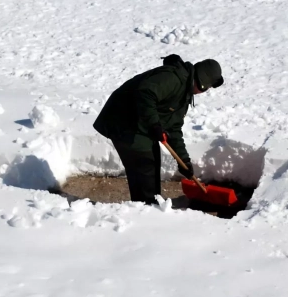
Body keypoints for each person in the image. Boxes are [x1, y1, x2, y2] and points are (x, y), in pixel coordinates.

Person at [93, 54, 224, 205]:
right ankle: (145, 208)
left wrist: (184, 161)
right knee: (143, 165)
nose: (204, 91)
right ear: (201, 83)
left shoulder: (185, 92)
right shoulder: (173, 79)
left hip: (140, 124)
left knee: (153, 161)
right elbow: (145, 93)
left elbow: (174, 128)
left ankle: (152, 203)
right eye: (205, 88)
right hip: (123, 121)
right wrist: (155, 124)